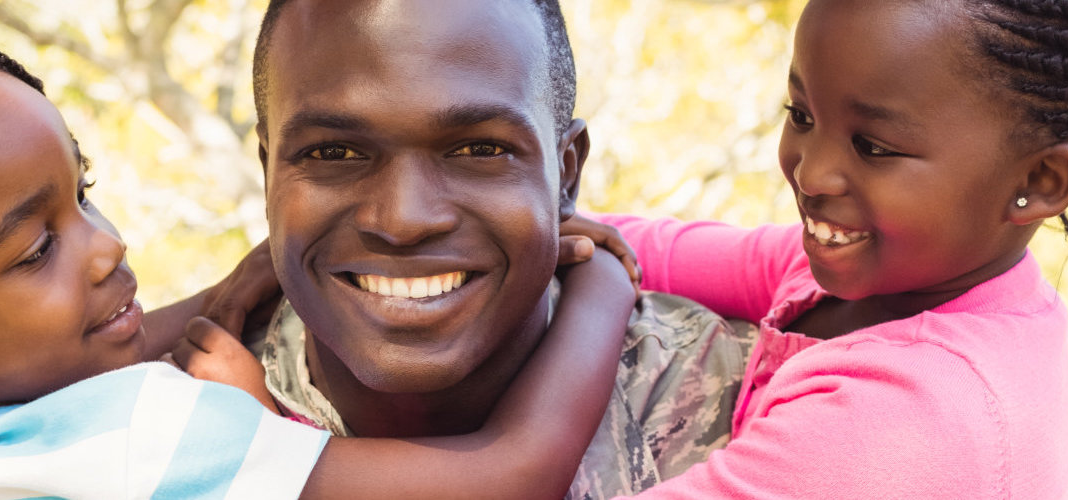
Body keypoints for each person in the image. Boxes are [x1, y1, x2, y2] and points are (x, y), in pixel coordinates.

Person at [0, 30, 638, 500]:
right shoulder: (151, 434)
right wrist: (603, 286)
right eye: (39, 248)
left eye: (83, 193)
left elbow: (75, 361)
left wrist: (240, 285)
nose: (109, 246)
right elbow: (511, 473)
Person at [563, 0, 1068, 497]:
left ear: (1039, 181)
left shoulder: (920, 417)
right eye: (802, 114)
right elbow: (666, 249)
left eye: (874, 147)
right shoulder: (891, 274)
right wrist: (528, 219)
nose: (811, 173)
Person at [148, 1, 757, 498]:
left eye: (478, 150)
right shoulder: (155, 423)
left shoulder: (755, 406)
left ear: (566, 175)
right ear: (268, 170)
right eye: (333, 153)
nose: (404, 221)